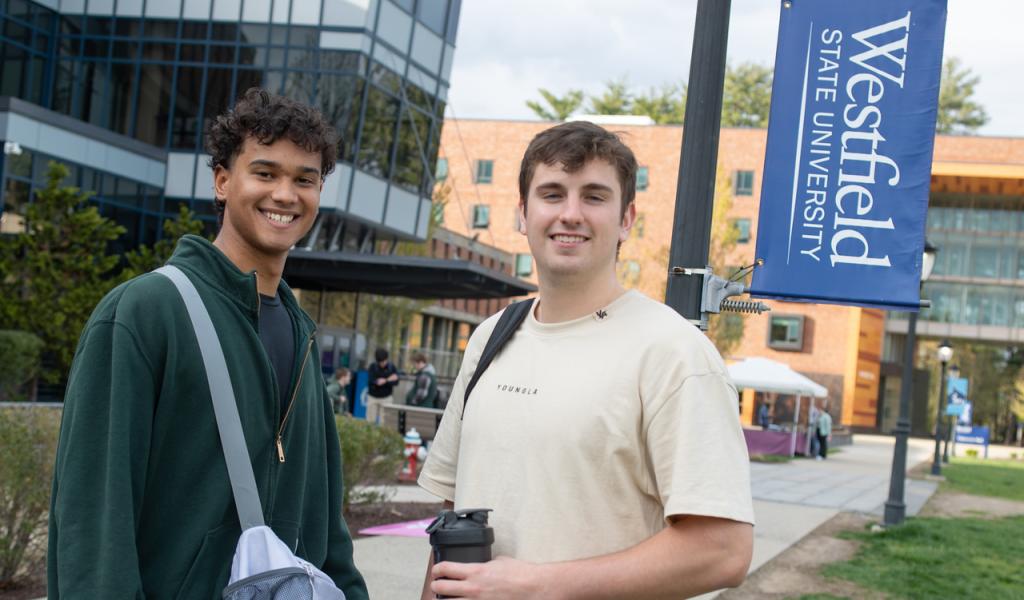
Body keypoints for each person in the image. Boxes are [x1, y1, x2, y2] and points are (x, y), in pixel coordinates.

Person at [47, 88, 368, 599]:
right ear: (222, 181)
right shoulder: (145, 312)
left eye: (304, 179)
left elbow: (328, 534)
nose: (286, 195)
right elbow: (94, 520)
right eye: (265, 173)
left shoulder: (301, 334)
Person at [418, 121, 754, 599]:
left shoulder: (673, 352)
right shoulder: (491, 337)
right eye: (552, 194)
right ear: (522, 213)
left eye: (594, 197)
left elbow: (723, 551)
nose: (570, 214)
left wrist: (536, 586)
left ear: (626, 219)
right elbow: (453, 520)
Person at [367, 347, 399, 424]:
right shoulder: (372, 367)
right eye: (381, 362)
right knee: (370, 421)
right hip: (373, 397)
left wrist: (385, 381)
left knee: (385, 422)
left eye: (384, 361)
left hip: (386, 398)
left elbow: (396, 382)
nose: (383, 363)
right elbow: (372, 381)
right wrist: (388, 379)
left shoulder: (392, 367)